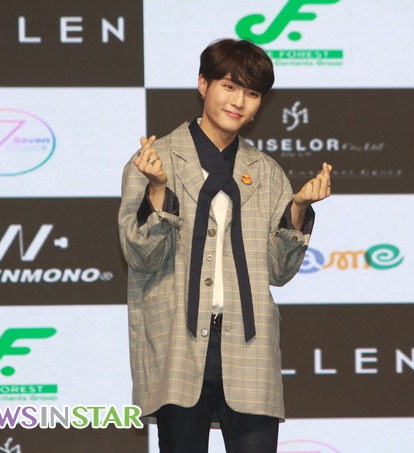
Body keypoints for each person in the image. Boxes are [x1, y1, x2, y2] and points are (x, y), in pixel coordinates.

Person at [118, 38, 331, 453]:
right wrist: (159, 190)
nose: (238, 102)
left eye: (252, 93)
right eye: (229, 87)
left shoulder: (266, 172)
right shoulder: (153, 161)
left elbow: (279, 272)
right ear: (203, 84)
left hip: (249, 343)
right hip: (177, 341)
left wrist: (299, 208)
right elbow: (140, 257)